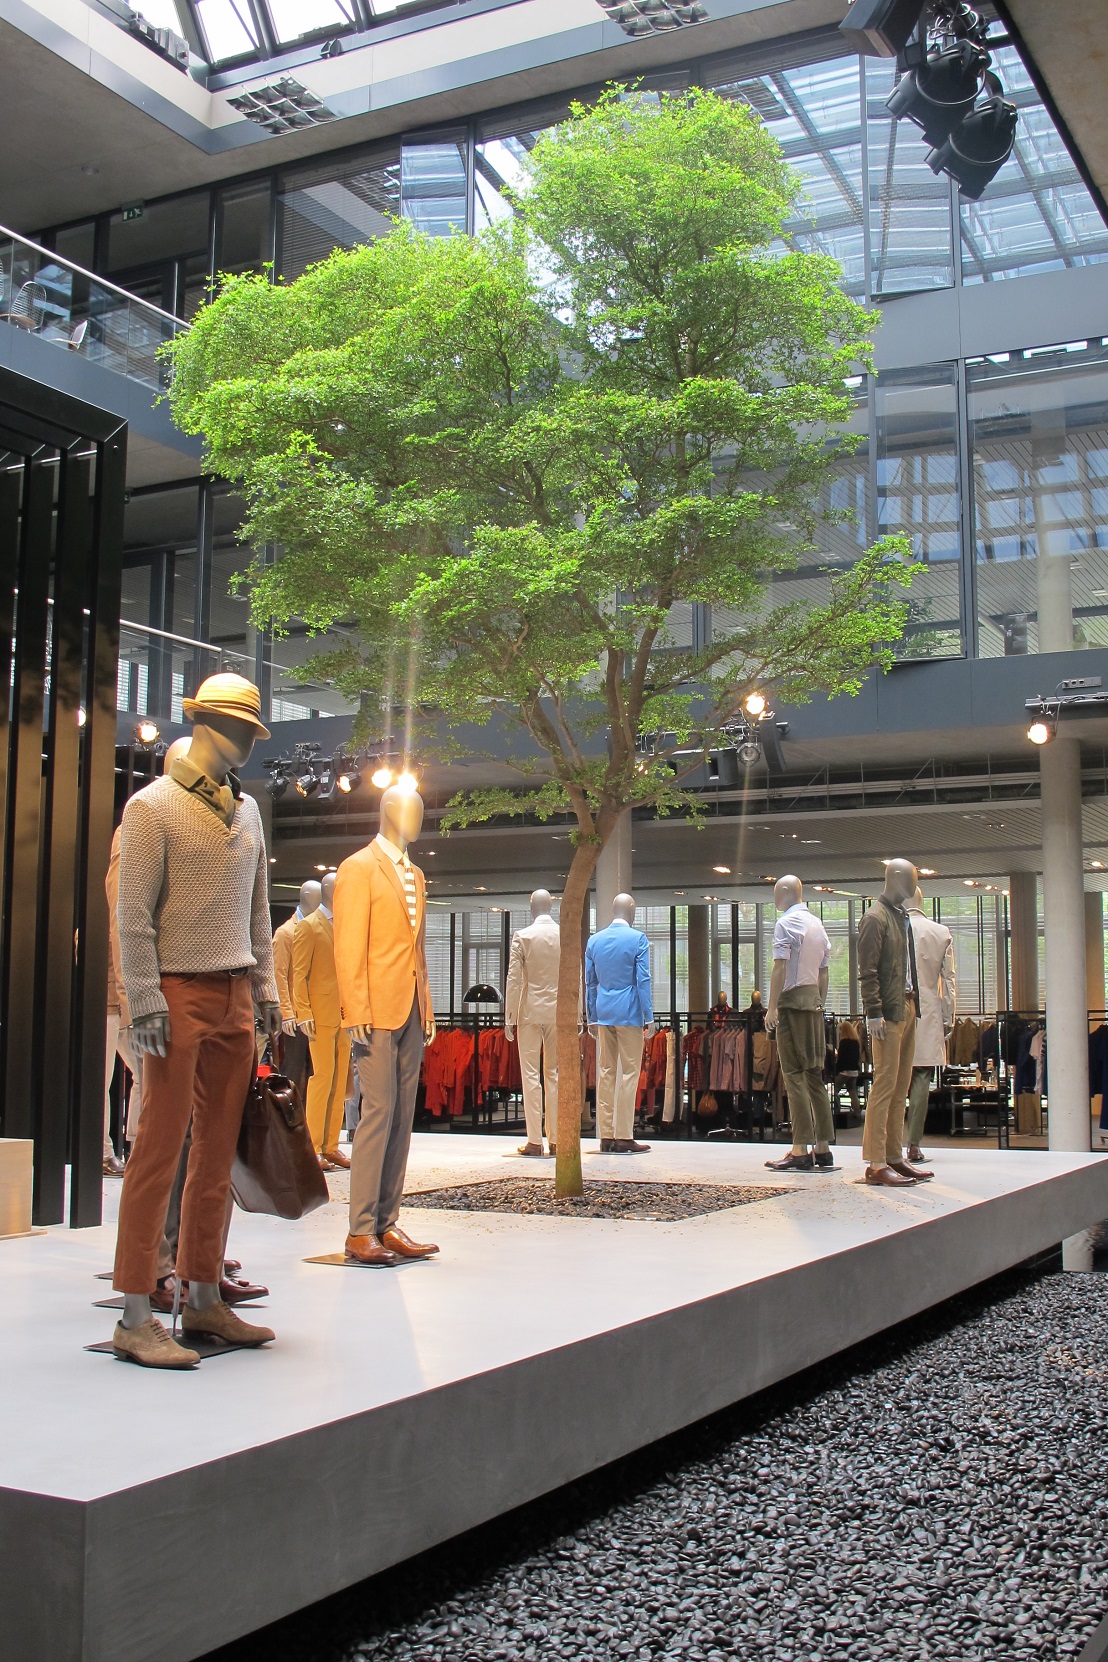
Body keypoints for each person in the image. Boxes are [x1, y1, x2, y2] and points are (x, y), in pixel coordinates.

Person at [834, 1020, 862, 1113]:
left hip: (844, 1071)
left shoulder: (843, 1042)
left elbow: (841, 1058)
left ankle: (836, 1110)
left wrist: (836, 1070)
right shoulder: (856, 1042)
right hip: (854, 1072)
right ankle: (857, 1112)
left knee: (835, 1090)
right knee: (852, 1092)